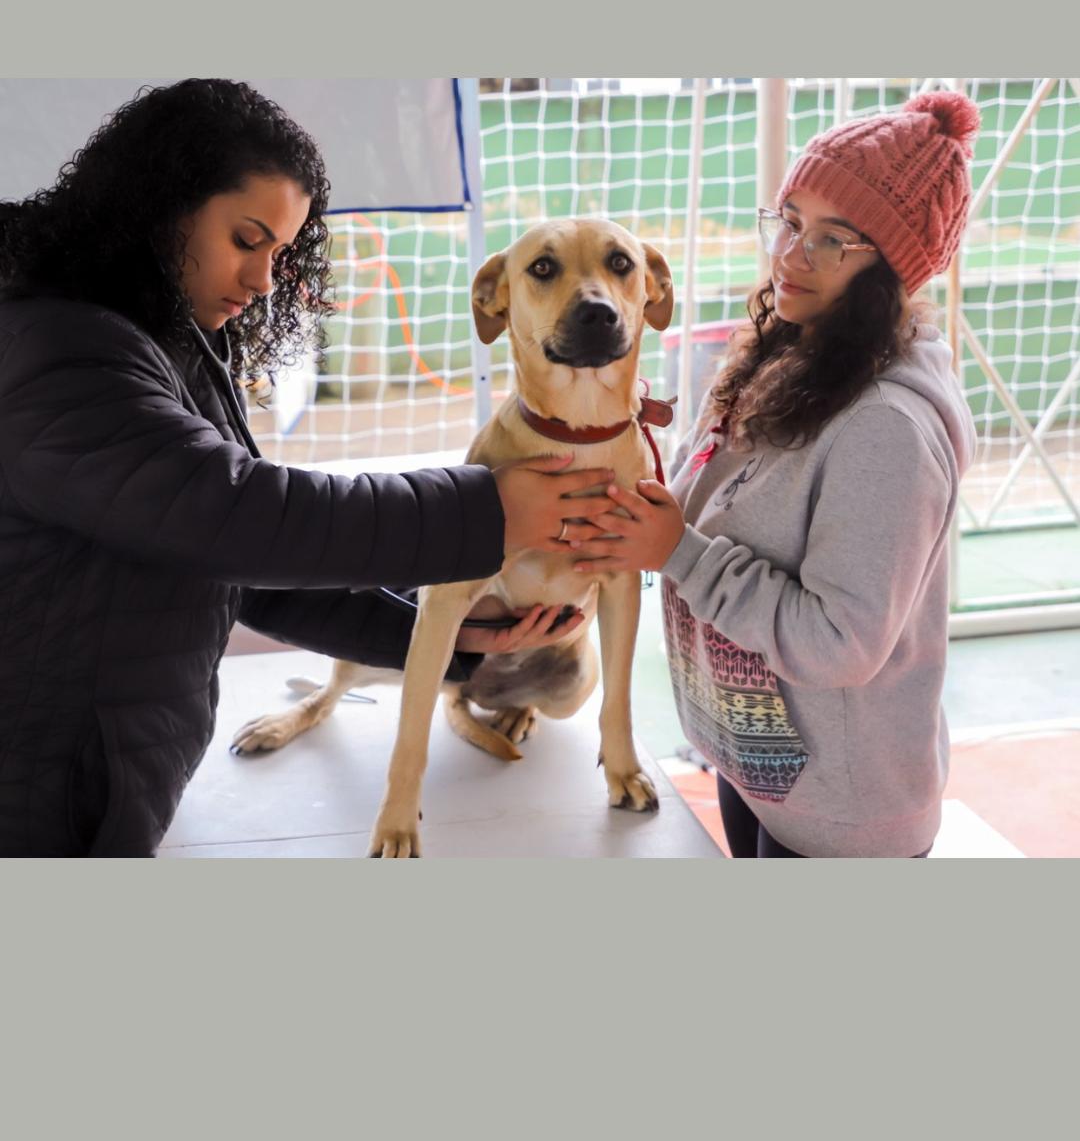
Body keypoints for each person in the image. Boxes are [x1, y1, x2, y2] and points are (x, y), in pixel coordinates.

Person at [0, 78, 613, 857]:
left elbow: (247, 571)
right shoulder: (58, 356)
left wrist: (458, 639)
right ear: (159, 204)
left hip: (99, 785)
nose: (262, 282)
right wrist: (489, 510)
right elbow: (238, 517)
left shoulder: (160, 337)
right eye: (247, 239)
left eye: (280, 254)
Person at [569, 91, 980, 858]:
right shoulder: (793, 353)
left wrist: (678, 552)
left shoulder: (885, 428)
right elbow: (711, 506)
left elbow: (839, 643)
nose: (791, 255)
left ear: (891, 269)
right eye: (790, 221)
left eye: (833, 239)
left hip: (844, 816)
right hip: (762, 761)